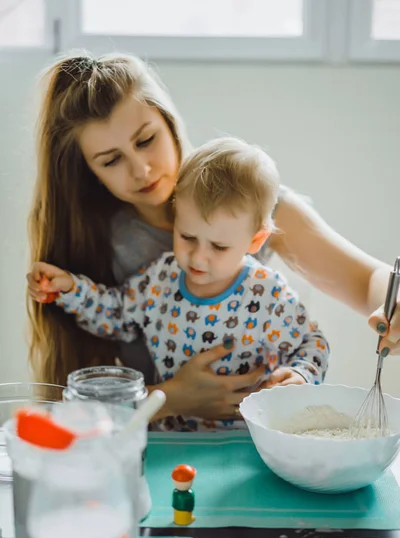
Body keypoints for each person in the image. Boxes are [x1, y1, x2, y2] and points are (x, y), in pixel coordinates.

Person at [26, 52, 399, 423]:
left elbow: (366, 280)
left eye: (146, 140)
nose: (141, 170)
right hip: (160, 441)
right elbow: (84, 411)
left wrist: (394, 307)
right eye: (111, 160)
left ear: (168, 122)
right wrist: (172, 398)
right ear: (87, 170)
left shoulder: (250, 203)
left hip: (251, 440)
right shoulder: (104, 247)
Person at [28, 137, 330, 430]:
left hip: (248, 443)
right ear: (177, 217)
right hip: (171, 438)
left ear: (255, 241)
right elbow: (115, 313)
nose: (198, 257)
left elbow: (312, 342)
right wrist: (70, 289)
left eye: (219, 247)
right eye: (187, 237)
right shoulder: (161, 279)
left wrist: (302, 374)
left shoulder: (268, 292)